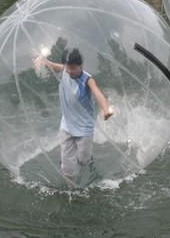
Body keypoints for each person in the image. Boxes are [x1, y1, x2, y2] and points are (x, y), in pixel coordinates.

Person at [34, 48, 113, 186]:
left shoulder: (87, 80)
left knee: (83, 160)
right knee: (68, 165)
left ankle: (87, 160)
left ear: (80, 65)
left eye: (73, 68)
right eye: (67, 67)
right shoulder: (65, 71)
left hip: (84, 127)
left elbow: (97, 93)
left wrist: (106, 109)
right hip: (67, 124)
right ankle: (71, 188)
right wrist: (44, 61)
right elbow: (55, 67)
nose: (69, 71)